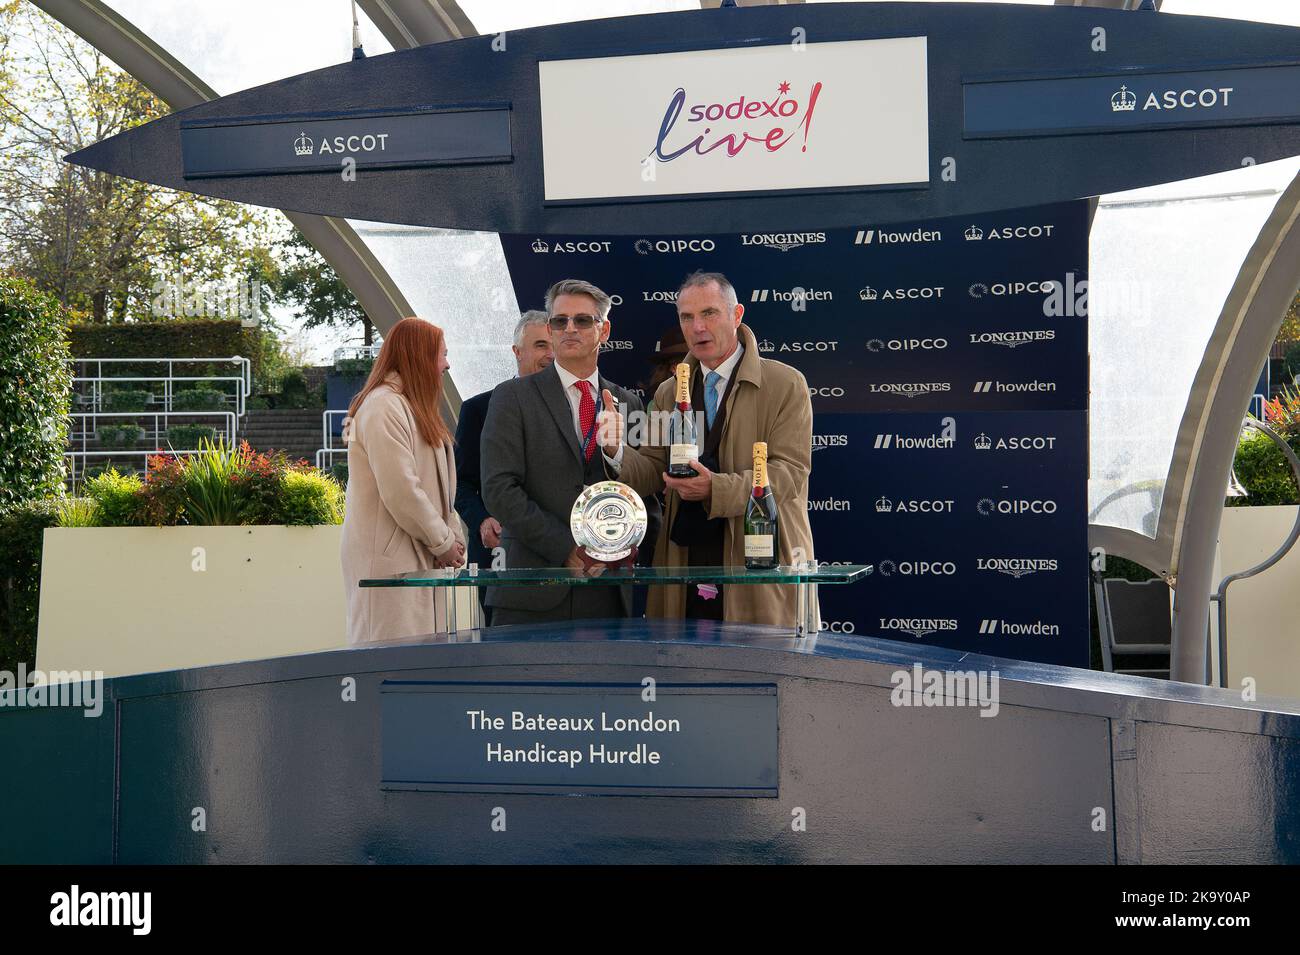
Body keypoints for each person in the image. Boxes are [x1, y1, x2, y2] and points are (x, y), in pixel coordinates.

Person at [611, 270, 817, 627]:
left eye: (709, 313)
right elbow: (650, 470)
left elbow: (790, 474)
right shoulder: (666, 393)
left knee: (761, 671)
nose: (697, 327)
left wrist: (715, 489)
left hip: (757, 560)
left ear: (736, 315)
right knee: (685, 673)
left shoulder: (786, 384)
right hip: (685, 560)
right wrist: (616, 450)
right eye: (686, 317)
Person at [480, 279, 658, 625]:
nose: (569, 329)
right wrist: (567, 549)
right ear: (549, 328)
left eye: (582, 320)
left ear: (604, 330)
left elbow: (646, 492)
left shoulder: (629, 402)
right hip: (531, 593)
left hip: (607, 592)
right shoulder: (512, 398)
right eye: (560, 321)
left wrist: (616, 452)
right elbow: (499, 489)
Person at [339, 317, 466, 645]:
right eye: (441, 355)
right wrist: (444, 542)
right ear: (418, 357)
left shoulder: (410, 406)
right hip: (392, 567)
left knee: (419, 668)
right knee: (390, 668)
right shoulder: (383, 406)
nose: (447, 365)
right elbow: (402, 490)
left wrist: (450, 538)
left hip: (417, 559)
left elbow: (436, 489)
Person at [453, 310, 552, 622]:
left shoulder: (578, 407)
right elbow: (461, 482)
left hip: (559, 555)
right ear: (516, 351)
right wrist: (482, 520)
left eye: (553, 345)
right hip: (499, 556)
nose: (550, 355)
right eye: (539, 346)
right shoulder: (478, 409)